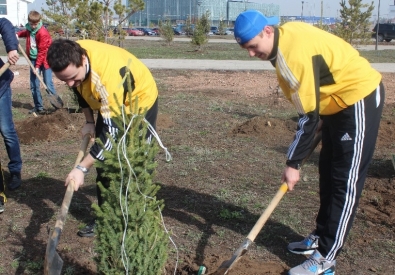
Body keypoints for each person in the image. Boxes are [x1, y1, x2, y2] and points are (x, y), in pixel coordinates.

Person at [233, 10, 384, 275]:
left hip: (356, 97)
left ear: (267, 31)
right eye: (246, 49)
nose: (251, 54)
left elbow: (308, 119)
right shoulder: (281, 40)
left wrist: (293, 163)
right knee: (328, 173)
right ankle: (322, 235)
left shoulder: (293, 57)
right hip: (332, 104)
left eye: (253, 47)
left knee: (345, 182)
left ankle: (326, 258)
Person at [47, 39, 159, 237]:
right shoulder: (72, 56)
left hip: (138, 101)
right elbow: (80, 91)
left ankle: (137, 219)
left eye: (72, 77)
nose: (70, 84)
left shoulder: (106, 77)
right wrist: (89, 121)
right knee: (105, 165)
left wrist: (81, 168)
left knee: (136, 161)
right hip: (109, 102)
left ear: (83, 60)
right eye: (64, 81)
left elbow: (111, 135)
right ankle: (105, 217)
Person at [0, 18, 23, 213]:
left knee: (6, 130)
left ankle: (15, 171)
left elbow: (4, 24)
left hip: (0, 88)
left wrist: (11, 47)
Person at [16, 10, 58, 114]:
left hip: (45, 60)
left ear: (39, 22)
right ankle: (39, 107)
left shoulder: (42, 32)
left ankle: (57, 107)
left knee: (48, 84)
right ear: (29, 22)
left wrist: (38, 67)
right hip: (33, 60)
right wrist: (18, 34)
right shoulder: (30, 29)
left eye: (35, 24)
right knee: (34, 84)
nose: (33, 26)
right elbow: (26, 32)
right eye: (31, 24)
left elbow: (42, 52)